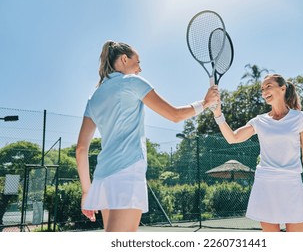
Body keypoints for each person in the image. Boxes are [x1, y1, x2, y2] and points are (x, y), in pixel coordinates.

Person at [76, 40, 218, 232]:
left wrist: (87, 191)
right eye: (138, 62)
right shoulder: (132, 82)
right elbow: (175, 115)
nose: (140, 69)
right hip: (126, 173)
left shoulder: (94, 97)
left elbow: (81, 149)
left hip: (103, 177)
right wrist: (205, 103)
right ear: (124, 59)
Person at [212, 73, 303, 232]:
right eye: (262, 89)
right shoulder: (259, 121)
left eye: (268, 87)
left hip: (292, 184)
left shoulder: (301, 118)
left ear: (282, 88)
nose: (264, 92)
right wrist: (218, 114)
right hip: (265, 185)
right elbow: (233, 138)